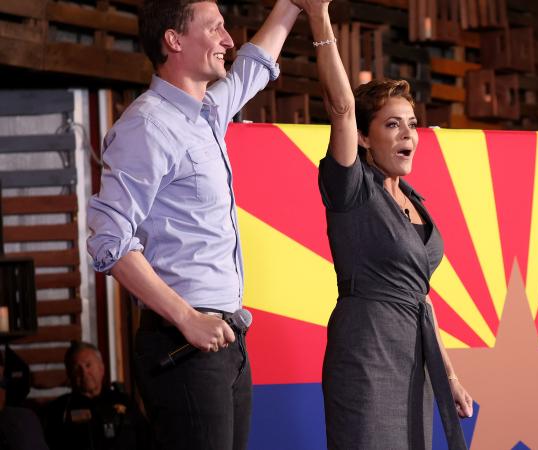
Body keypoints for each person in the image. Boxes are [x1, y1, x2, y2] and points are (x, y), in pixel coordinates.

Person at [85, 1, 302, 449]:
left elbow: (254, 68)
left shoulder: (205, 113)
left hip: (227, 339)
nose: (228, 40)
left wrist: (291, 6)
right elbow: (109, 240)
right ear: (174, 40)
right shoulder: (147, 125)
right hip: (182, 341)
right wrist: (187, 319)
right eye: (216, 28)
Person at [305, 3, 473, 449]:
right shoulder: (351, 187)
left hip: (414, 361)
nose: (408, 135)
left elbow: (421, 297)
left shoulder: (416, 200)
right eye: (392, 125)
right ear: (363, 136)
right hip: (366, 356)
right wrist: (319, 17)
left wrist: (449, 375)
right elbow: (341, 108)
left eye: (412, 125)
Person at [43, 342, 149, 450]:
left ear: (101, 368)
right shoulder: (59, 410)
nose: (84, 372)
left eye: (88, 365)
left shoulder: (124, 402)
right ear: (69, 374)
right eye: (76, 368)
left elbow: (146, 441)